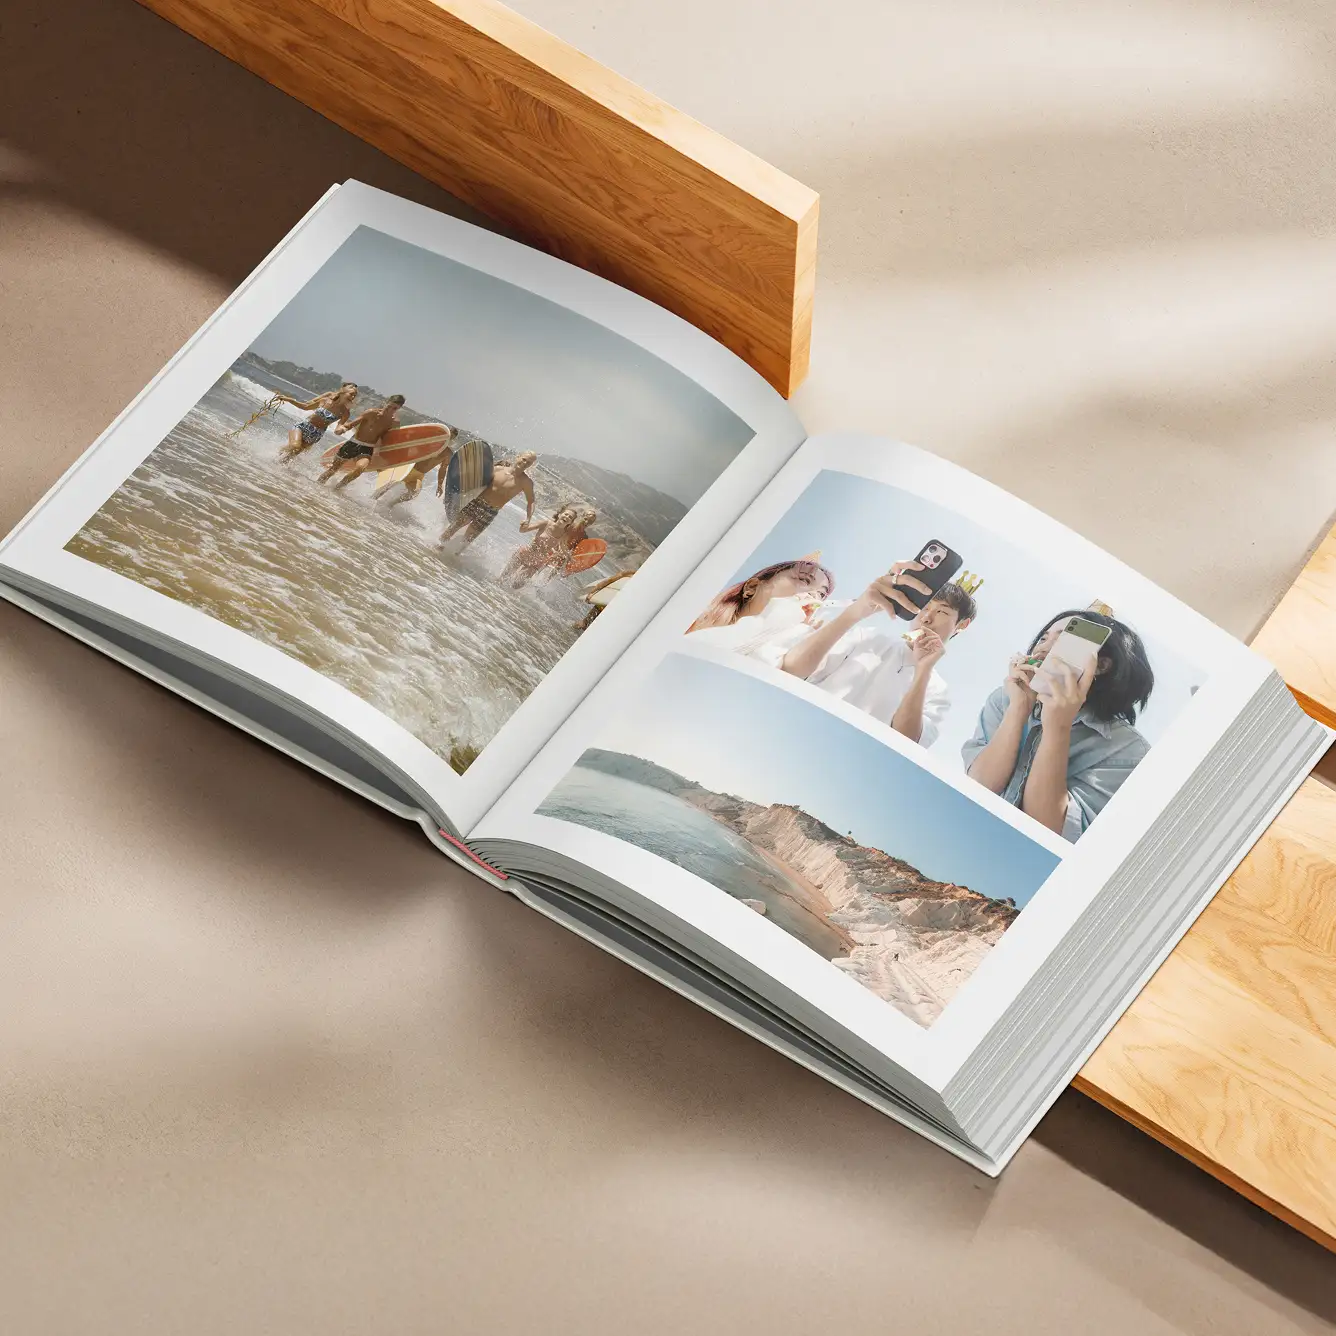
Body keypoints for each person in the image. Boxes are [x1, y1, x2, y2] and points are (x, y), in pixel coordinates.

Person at [961, 610, 1154, 842]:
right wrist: (1018, 709)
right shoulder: (1004, 699)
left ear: (1100, 665)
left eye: (1063, 639)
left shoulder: (1129, 749)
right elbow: (979, 785)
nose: (1043, 647)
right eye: (1044, 637)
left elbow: (1047, 829)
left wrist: (1057, 727)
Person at [769, 561, 976, 747]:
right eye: (924, 607)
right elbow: (789, 670)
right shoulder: (867, 638)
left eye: (942, 612)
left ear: (961, 625)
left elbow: (906, 744)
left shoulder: (937, 690)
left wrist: (923, 670)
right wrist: (855, 612)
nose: (927, 618)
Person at [686, 557, 835, 656]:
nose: (813, 596)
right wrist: (768, 622)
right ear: (752, 587)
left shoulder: (784, 657)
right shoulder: (689, 616)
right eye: (804, 580)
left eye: (821, 595)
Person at [439, 450, 538, 549]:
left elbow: (531, 501)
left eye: (529, 462)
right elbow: (476, 481)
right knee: (453, 528)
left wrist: (528, 518)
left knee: (467, 540)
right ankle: (437, 547)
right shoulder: (498, 469)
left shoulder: (526, 482)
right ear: (518, 457)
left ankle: (451, 557)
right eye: (524, 459)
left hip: (491, 511)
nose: (525, 463)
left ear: (531, 465)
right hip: (476, 503)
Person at [316, 394, 405, 488]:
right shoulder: (371, 413)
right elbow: (351, 424)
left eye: (394, 408)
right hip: (353, 443)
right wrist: (342, 428)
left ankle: (338, 487)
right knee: (333, 470)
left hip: (367, 448)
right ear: (386, 402)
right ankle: (316, 486)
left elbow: (389, 440)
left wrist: (384, 457)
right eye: (389, 406)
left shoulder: (394, 422)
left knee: (360, 468)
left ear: (398, 409)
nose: (390, 410)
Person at [371, 425, 458, 507]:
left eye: (451, 438)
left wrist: (440, 485)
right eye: (448, 435)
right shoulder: (430, 442)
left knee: (414, 492)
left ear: (453, 440)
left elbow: (443, 469)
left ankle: (391, 504)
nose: (448, 438)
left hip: (418, 475)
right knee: (388, 486)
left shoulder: (448, 453)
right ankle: (372, 500)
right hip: (407, 468)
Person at [500, 505, 580, 587]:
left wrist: (570, 558)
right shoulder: (546, 523)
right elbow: (523, 530)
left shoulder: (564, 535)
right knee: (502, 579)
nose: (567, 517)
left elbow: (564, 549)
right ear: (560, 514)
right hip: (525, 554)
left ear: (570, 522)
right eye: (566, 514)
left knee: (516, 586)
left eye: (570, 517)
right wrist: (523, 524)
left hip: (537, 562)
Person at [275, 383, 358, 461]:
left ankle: (274, 467)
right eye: (351, 394)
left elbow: (338, 427)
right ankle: (276, 452)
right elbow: (305, 406)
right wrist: (289, 399)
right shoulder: (326, 400)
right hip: (303, 426)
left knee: (290, 457)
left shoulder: (345, 413)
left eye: (354, 395)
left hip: (315, 435)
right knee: (295, 446)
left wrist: (341, 429)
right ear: (343, 391)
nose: (352, 397)